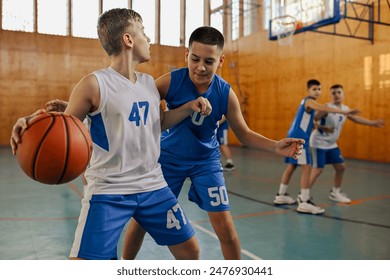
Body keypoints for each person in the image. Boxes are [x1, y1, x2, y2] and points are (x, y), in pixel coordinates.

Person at [10, 8, 213, 260]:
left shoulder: (149, 84)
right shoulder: (94, 84)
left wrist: (187, 108)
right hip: (109, 189)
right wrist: (30, 121)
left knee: (190, 251)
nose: (148, 39)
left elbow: (157, 122)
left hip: (153, 185)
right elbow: (64, 125)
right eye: (144, 33)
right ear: (128, 39)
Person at [122, 26, 305, 260]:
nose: (200, 67)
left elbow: (245, 134)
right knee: (141, 221)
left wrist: (275, 146)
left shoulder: (225, 93)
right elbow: (131, 102)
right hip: (167, 160)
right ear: (186, 55)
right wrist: (92, 109)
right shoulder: (168, 82)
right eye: (195, 59)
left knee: (226, 229)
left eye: (209, 61)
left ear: (220, 61)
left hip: (205, 163)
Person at [274, 79, 360, 214]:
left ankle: (281, 195)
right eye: (314, 89)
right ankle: (304, 202)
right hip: (300, 138)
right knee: (307, 168)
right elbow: (324, 108)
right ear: (308, 91)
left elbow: (309, 122)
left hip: (295, 134)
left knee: (292, 166)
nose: (317, 91)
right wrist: (345, 112)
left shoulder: (307, 104)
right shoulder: (309, 101)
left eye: (319, 89)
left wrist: (321, 127)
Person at [309, 84, 384, 203]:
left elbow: (356, 119)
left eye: (339, 92)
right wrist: (322, 127)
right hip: (319, 142)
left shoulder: (345, 109)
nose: (336, 95)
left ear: (343, 94)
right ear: (330, 96)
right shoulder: (326, 108)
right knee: (318, 170)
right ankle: (303, 195)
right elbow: (311, 121)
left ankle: (335, 192)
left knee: (341, 167)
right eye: (333, 93)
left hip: (332, 144)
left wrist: (373, 123)